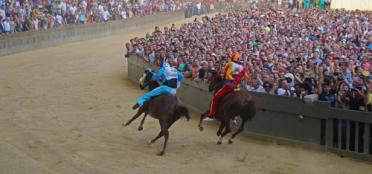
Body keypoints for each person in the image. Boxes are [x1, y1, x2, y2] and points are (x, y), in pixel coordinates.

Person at [208, 53, 251, 118]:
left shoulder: (230, 64)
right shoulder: (244, 68)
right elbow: (248, 79)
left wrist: (232, 79)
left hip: (229, 87)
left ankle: (212, 113)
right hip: (237, 88)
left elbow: (227, 76)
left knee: (216, 97)